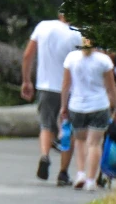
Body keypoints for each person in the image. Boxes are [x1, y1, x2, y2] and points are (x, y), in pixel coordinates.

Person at [20, 11, 83, 185]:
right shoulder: (78, 34)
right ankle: (63, 172)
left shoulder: (43, 26)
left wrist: (26, 80)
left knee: (46, 125)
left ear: (60, 14)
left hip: (46, 86)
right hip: (70, 88)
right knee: (69, 128)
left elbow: (27, 55)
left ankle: (44, 155)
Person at [60, 40, 116, 191]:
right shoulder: (104, 60)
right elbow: (111, 87)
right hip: (99, 105)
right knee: (94, 143)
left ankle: (80, 173)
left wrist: (63, 106)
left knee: (80, 141)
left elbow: (66, 85)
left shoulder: (71, 58)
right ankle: (91, 180)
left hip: (77, 105)